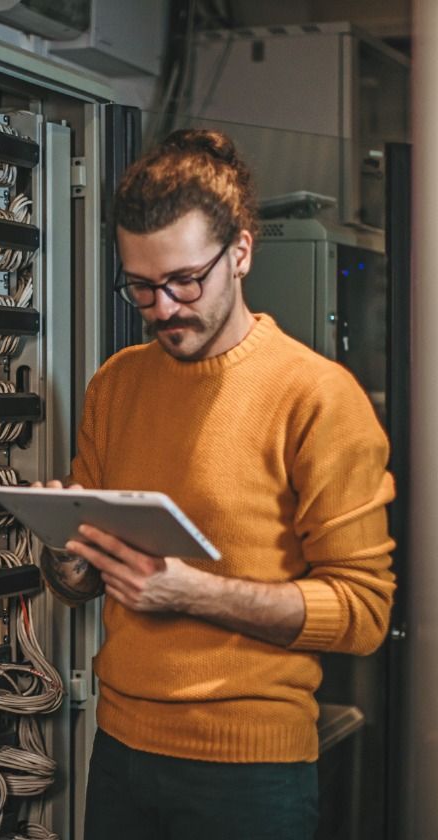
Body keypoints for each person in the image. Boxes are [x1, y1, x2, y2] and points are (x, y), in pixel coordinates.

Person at [37, 129, 396, 840]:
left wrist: (193, 592)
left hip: (251, 777)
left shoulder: (317, 396)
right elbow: (80, 582)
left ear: (240, 253)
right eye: (140, 286)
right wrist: (69, 560)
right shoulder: (116, 383)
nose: (163, 307)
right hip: (121, 750)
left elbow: (363, 613)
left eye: (184, 281)